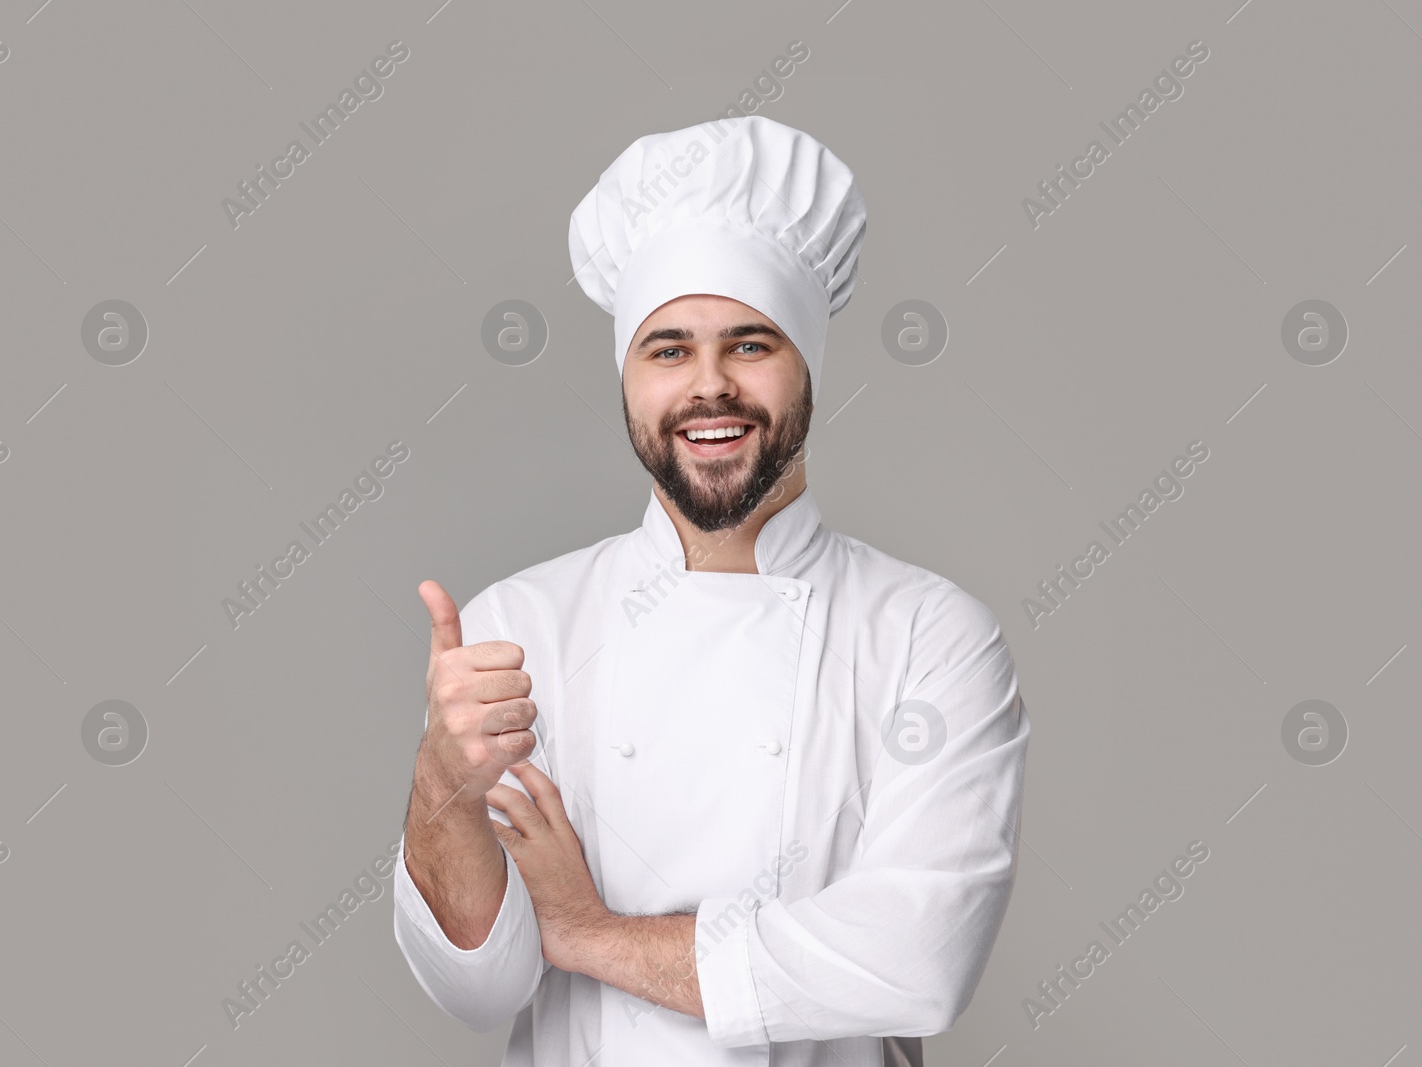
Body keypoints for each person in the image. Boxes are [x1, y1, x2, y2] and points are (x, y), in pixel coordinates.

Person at [394, 114, 1030, 1067]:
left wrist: (586, 932)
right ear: (627, 379)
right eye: (667, 349)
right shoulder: (520, 628)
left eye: (749, 344)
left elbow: (921, 956)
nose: (709, 387)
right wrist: (441, 779)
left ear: (807, 366)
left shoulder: (928, 634)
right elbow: (477, 991)